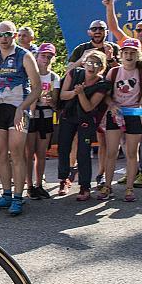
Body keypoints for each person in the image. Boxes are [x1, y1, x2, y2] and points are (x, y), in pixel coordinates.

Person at [0, 21, 42, 215]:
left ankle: (18, 197)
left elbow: (37, 88)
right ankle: (6, 194)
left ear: (15, 35)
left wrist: (23, 109)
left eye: (8, 34)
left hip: (20, 108)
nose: (4, 38)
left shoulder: (25, 56)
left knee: (17, 154)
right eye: (0, 35)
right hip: (0, 109)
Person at [99, 39, 142, 202]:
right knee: (111, 152)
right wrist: (112, 105)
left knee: (131, 152)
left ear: (138, 55)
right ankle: (107, 186)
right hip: (115, 113)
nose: (129, 55)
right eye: (126, 52)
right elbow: (106, 95)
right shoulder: (113, 72)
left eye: (132, 53)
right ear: (121, 54)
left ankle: (129, 189)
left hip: (134, 114)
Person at [56, 51, 111, 200]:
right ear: (84, 63)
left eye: (96, 64)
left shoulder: (102, 84)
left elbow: (88, 107)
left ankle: (84, 187)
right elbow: (62, 95)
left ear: (101, 68)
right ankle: (64, 179)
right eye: (89, 62)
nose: (92, 66)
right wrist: (75, 92)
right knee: (63, 148)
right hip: (68, 115)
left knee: (83, 152)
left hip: (86, 119)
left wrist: (80, 93)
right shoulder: (74, 73)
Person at [25, 43, 60, 200]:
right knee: (28, 152)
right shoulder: (30, 74)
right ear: (37, 56)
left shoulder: (54, 77)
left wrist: (50, 101)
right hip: (31, 115)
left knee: (41, 153)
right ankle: (29, 186)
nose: (46, 59)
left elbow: (56, 102)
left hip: (45, 116)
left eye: (49, 56)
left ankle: (39, 184)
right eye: (43, 55)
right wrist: (34, 99)